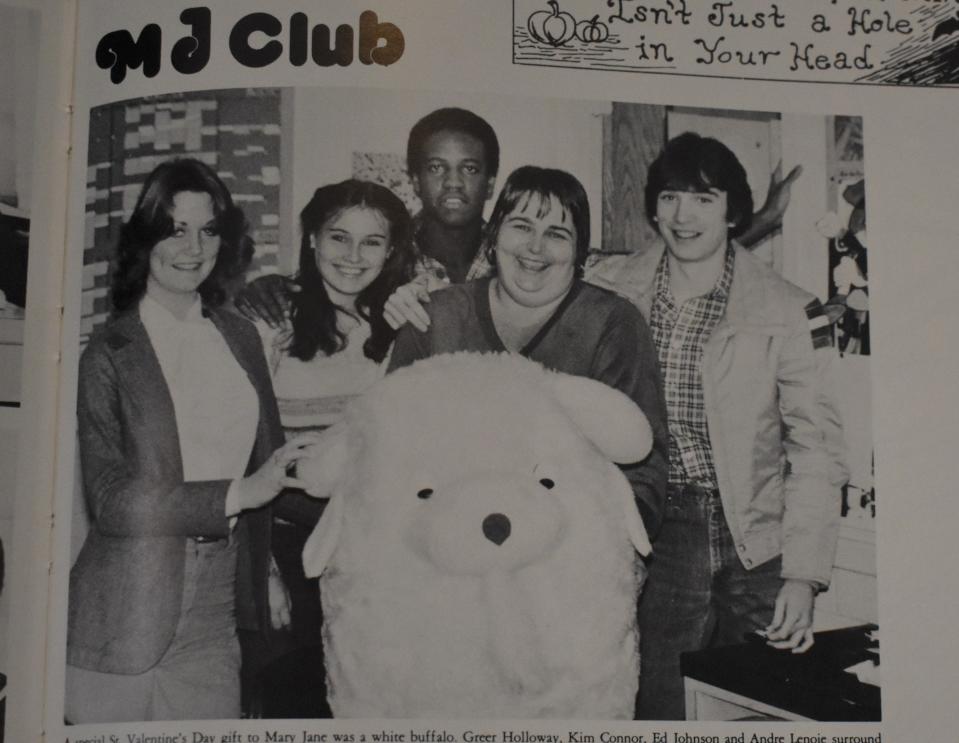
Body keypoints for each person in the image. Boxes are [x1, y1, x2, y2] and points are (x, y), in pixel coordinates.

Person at [594, 132, 846, 720]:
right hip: (660, 531)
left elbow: (816, 451)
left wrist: (803, 576)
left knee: (760, 707)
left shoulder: (788, 308)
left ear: (733, 212)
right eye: (671, 197)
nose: (684, 216)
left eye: (705, 199)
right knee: (660, 706)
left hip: (759, 539)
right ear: (654, 205)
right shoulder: (611, 292)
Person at [66, 158, 317, 723]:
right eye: (175, 227)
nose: (192, 246)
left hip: (217, 610)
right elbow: (110, 500)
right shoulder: (108, 353)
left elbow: (269, 469)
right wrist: (236, 495)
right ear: (146, 235)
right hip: (123, 617)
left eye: (207, 229)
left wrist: (271, 564)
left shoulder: (242, 338)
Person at [387, 165, 668, 535]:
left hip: (568, 548)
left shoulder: (613, 323)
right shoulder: (435, 317)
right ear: (493, 235)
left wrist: (598, 554)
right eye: (521, 226)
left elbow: (642, 468)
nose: (536, 247)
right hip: (448, 543)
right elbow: (390, 445)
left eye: (557, 233)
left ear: (579, 251)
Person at [251, 180, 417, 717]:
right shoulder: (271, 320)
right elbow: (240, 448)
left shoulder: (396, 325)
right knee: (295, 707)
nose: (352, 256)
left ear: (391, 251)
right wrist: (263, 572)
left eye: (372, 243)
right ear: (312, 240)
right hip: (287, 548)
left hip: (369, 556)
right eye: (338, 238)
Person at [236, 107, 498, 327]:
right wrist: (268, 289)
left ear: (489, 184)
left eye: (470, 169)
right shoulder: (383, 253)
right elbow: (325, 285)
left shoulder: (514, 258)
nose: (453, 182)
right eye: (436, 167)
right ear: (416, 181)